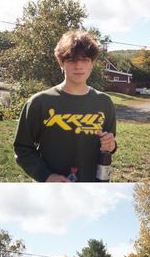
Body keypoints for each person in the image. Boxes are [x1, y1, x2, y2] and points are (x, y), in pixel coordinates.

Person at [14, 30, 116, 182]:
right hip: (51, 190)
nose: (79, 66)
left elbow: (109, 145)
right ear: (61, 62)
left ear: (92, 64)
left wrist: (111, 145)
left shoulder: (105, 102)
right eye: (72, 60)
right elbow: (22, 148)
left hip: (93, 187)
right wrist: (47, 176)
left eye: (85, 59)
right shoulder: (39, 102)